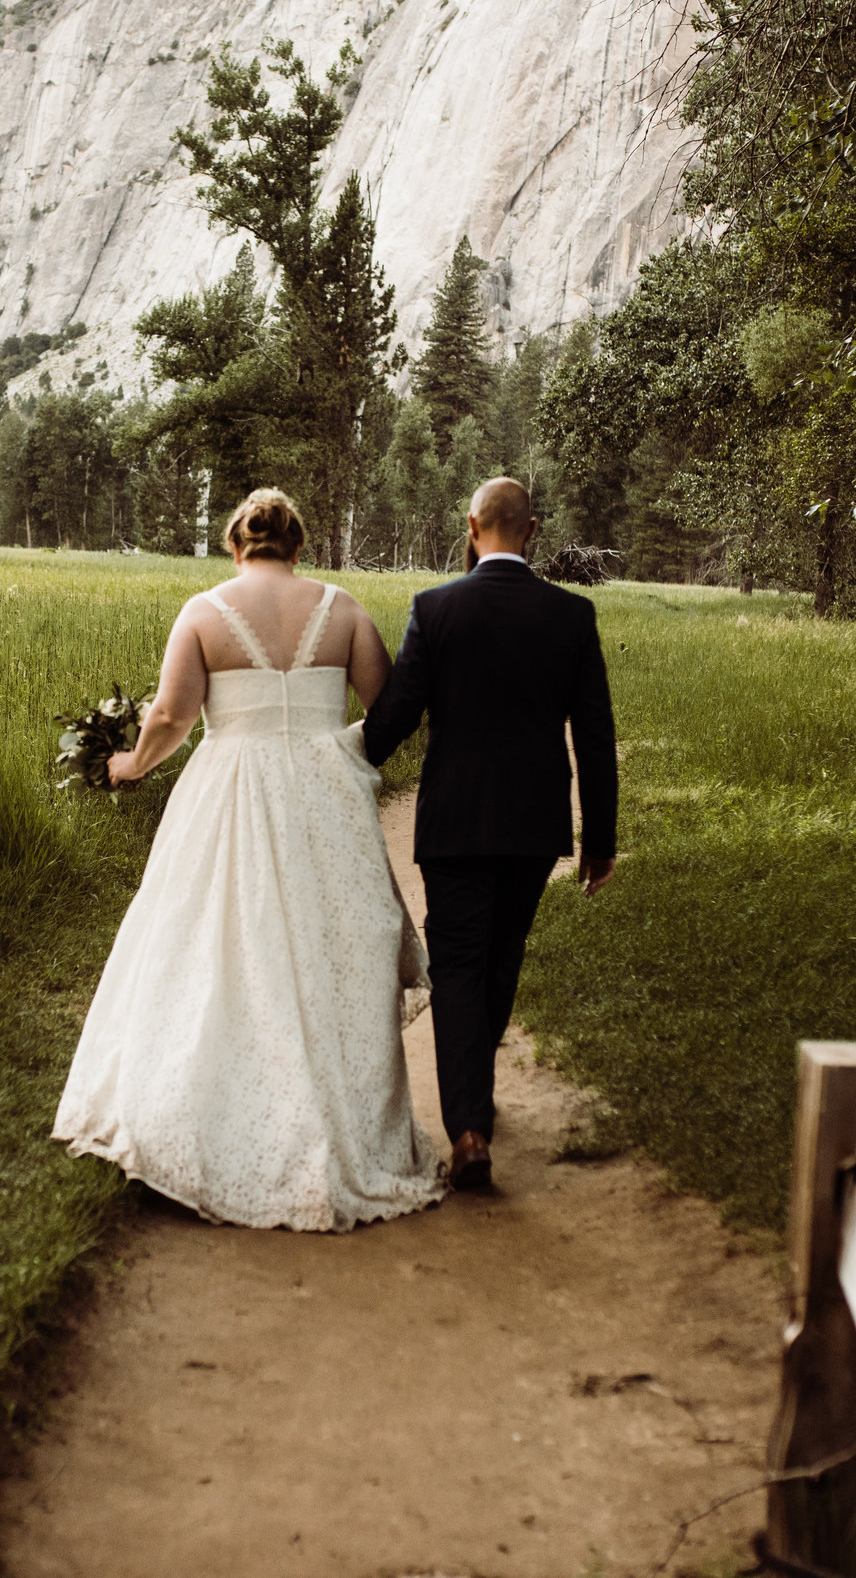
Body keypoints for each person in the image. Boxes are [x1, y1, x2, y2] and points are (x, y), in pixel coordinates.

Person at [52, 489, 444, 1231]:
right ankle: (343, 1122)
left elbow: (170, 716)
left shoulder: (204, 612)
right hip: (328, 798)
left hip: (230, 791)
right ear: (298, 545)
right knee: (330, 947)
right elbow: (389, 704)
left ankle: (224, 1110)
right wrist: (337, 752)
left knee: (222, 943)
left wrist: (133, 764)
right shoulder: (346, 609)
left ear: (236, 545)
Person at [362, 477, 617, 1190]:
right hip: (535, 824)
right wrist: (600, 839)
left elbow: (397, 717)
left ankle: (469, 1125)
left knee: (461, 965)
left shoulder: (437, 609)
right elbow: (594, 737)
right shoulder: (571, 615)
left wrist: (340, 756)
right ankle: (475, 1104)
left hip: (455, 822)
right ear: (530, 530)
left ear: (471, 525)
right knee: (501, 955)